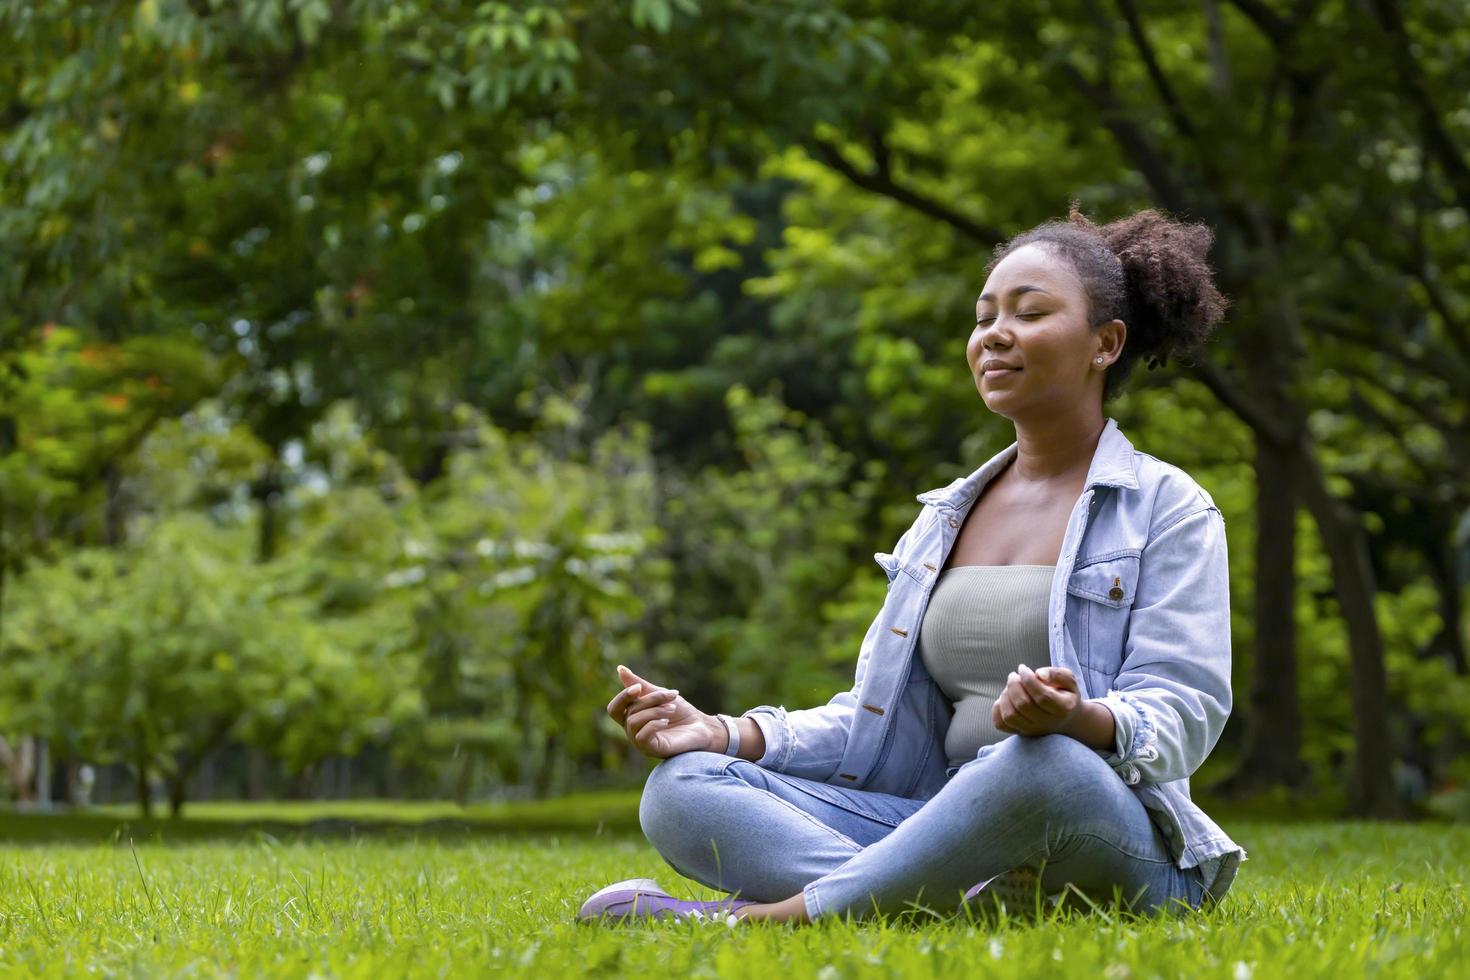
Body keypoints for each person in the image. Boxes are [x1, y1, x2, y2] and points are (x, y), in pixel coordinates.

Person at [578, 204, 1245, 927]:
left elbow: (1187, 709)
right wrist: (728, 733)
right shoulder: (943, 520)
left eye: (1030, 312)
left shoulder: (1166, 507)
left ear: (1105, 344)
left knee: (1044, 764)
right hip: (937, 825)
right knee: (682, 786)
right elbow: (872, 723)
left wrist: (1079, 718)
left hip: (1098, 831)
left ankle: (772, 920)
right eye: (985, 315)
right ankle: (936, 904)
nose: (995, 333)